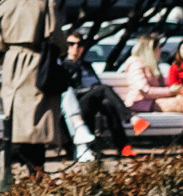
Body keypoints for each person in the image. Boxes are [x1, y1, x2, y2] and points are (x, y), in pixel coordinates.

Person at [0, 0, 60, 174]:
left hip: (11, 61)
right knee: (36, 122)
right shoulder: (44, 3)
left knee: (15, 118)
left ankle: (11, 169)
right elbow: (56, 36)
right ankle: (35, 170)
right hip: (36, 63)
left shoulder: (5, 3)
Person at [56, 31, 130, 165]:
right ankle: (129, 118)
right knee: (104, 89)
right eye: (71, 44)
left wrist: (94, 90)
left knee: (107, 103)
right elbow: (68, 91)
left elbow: (96, 84)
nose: (75, 48)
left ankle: (123, 147)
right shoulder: (63, 65)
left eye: (79, 44)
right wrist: (93, 90)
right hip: (74, 107)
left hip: (91, 103)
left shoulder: (86, 65)